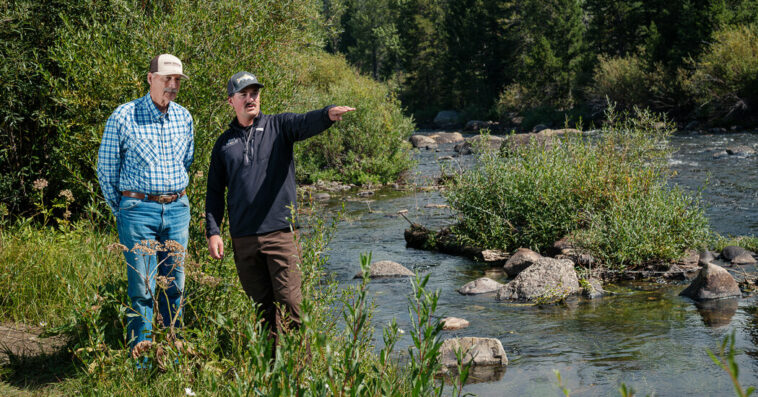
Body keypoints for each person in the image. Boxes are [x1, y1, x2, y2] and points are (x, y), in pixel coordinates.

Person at [205, 71, 354, 346]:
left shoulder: (279, 127)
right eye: (244, 94)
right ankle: (272, 373)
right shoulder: (224, 144)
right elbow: (214, 191)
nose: (251, 99)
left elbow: (303, 123)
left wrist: (327, 115)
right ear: (231, 101)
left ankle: (301, 372)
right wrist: (213, 231)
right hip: (244, 238)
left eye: (255, 93)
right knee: (261, 312)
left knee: (291, 305)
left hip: (280, 234)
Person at [97, 54, 194, 355]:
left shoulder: (184, 117)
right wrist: (124, 210)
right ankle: (140, 357)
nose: (172, 85)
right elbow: (106, 169)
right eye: (167, 78)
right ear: (150, 79)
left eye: (177, 80)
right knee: (142, 287)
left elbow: (186, 161)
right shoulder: (124, 116)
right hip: (138, 210)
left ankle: (171, 352)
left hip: (177, 209)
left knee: (174, 283)